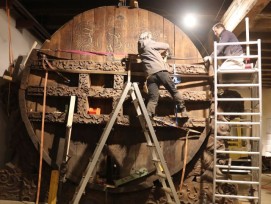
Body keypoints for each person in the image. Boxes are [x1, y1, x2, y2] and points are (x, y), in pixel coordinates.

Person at [137, 31, 188, 118]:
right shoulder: (149, 42)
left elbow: (151, 56)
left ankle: (148, 116)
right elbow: (166, 45)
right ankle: (183, 110)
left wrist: (160, 55)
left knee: (153, 98)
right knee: (173, 91)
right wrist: (169, 54)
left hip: (150, 76)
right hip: (161, 72)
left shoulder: (140, 48)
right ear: (148, 37)